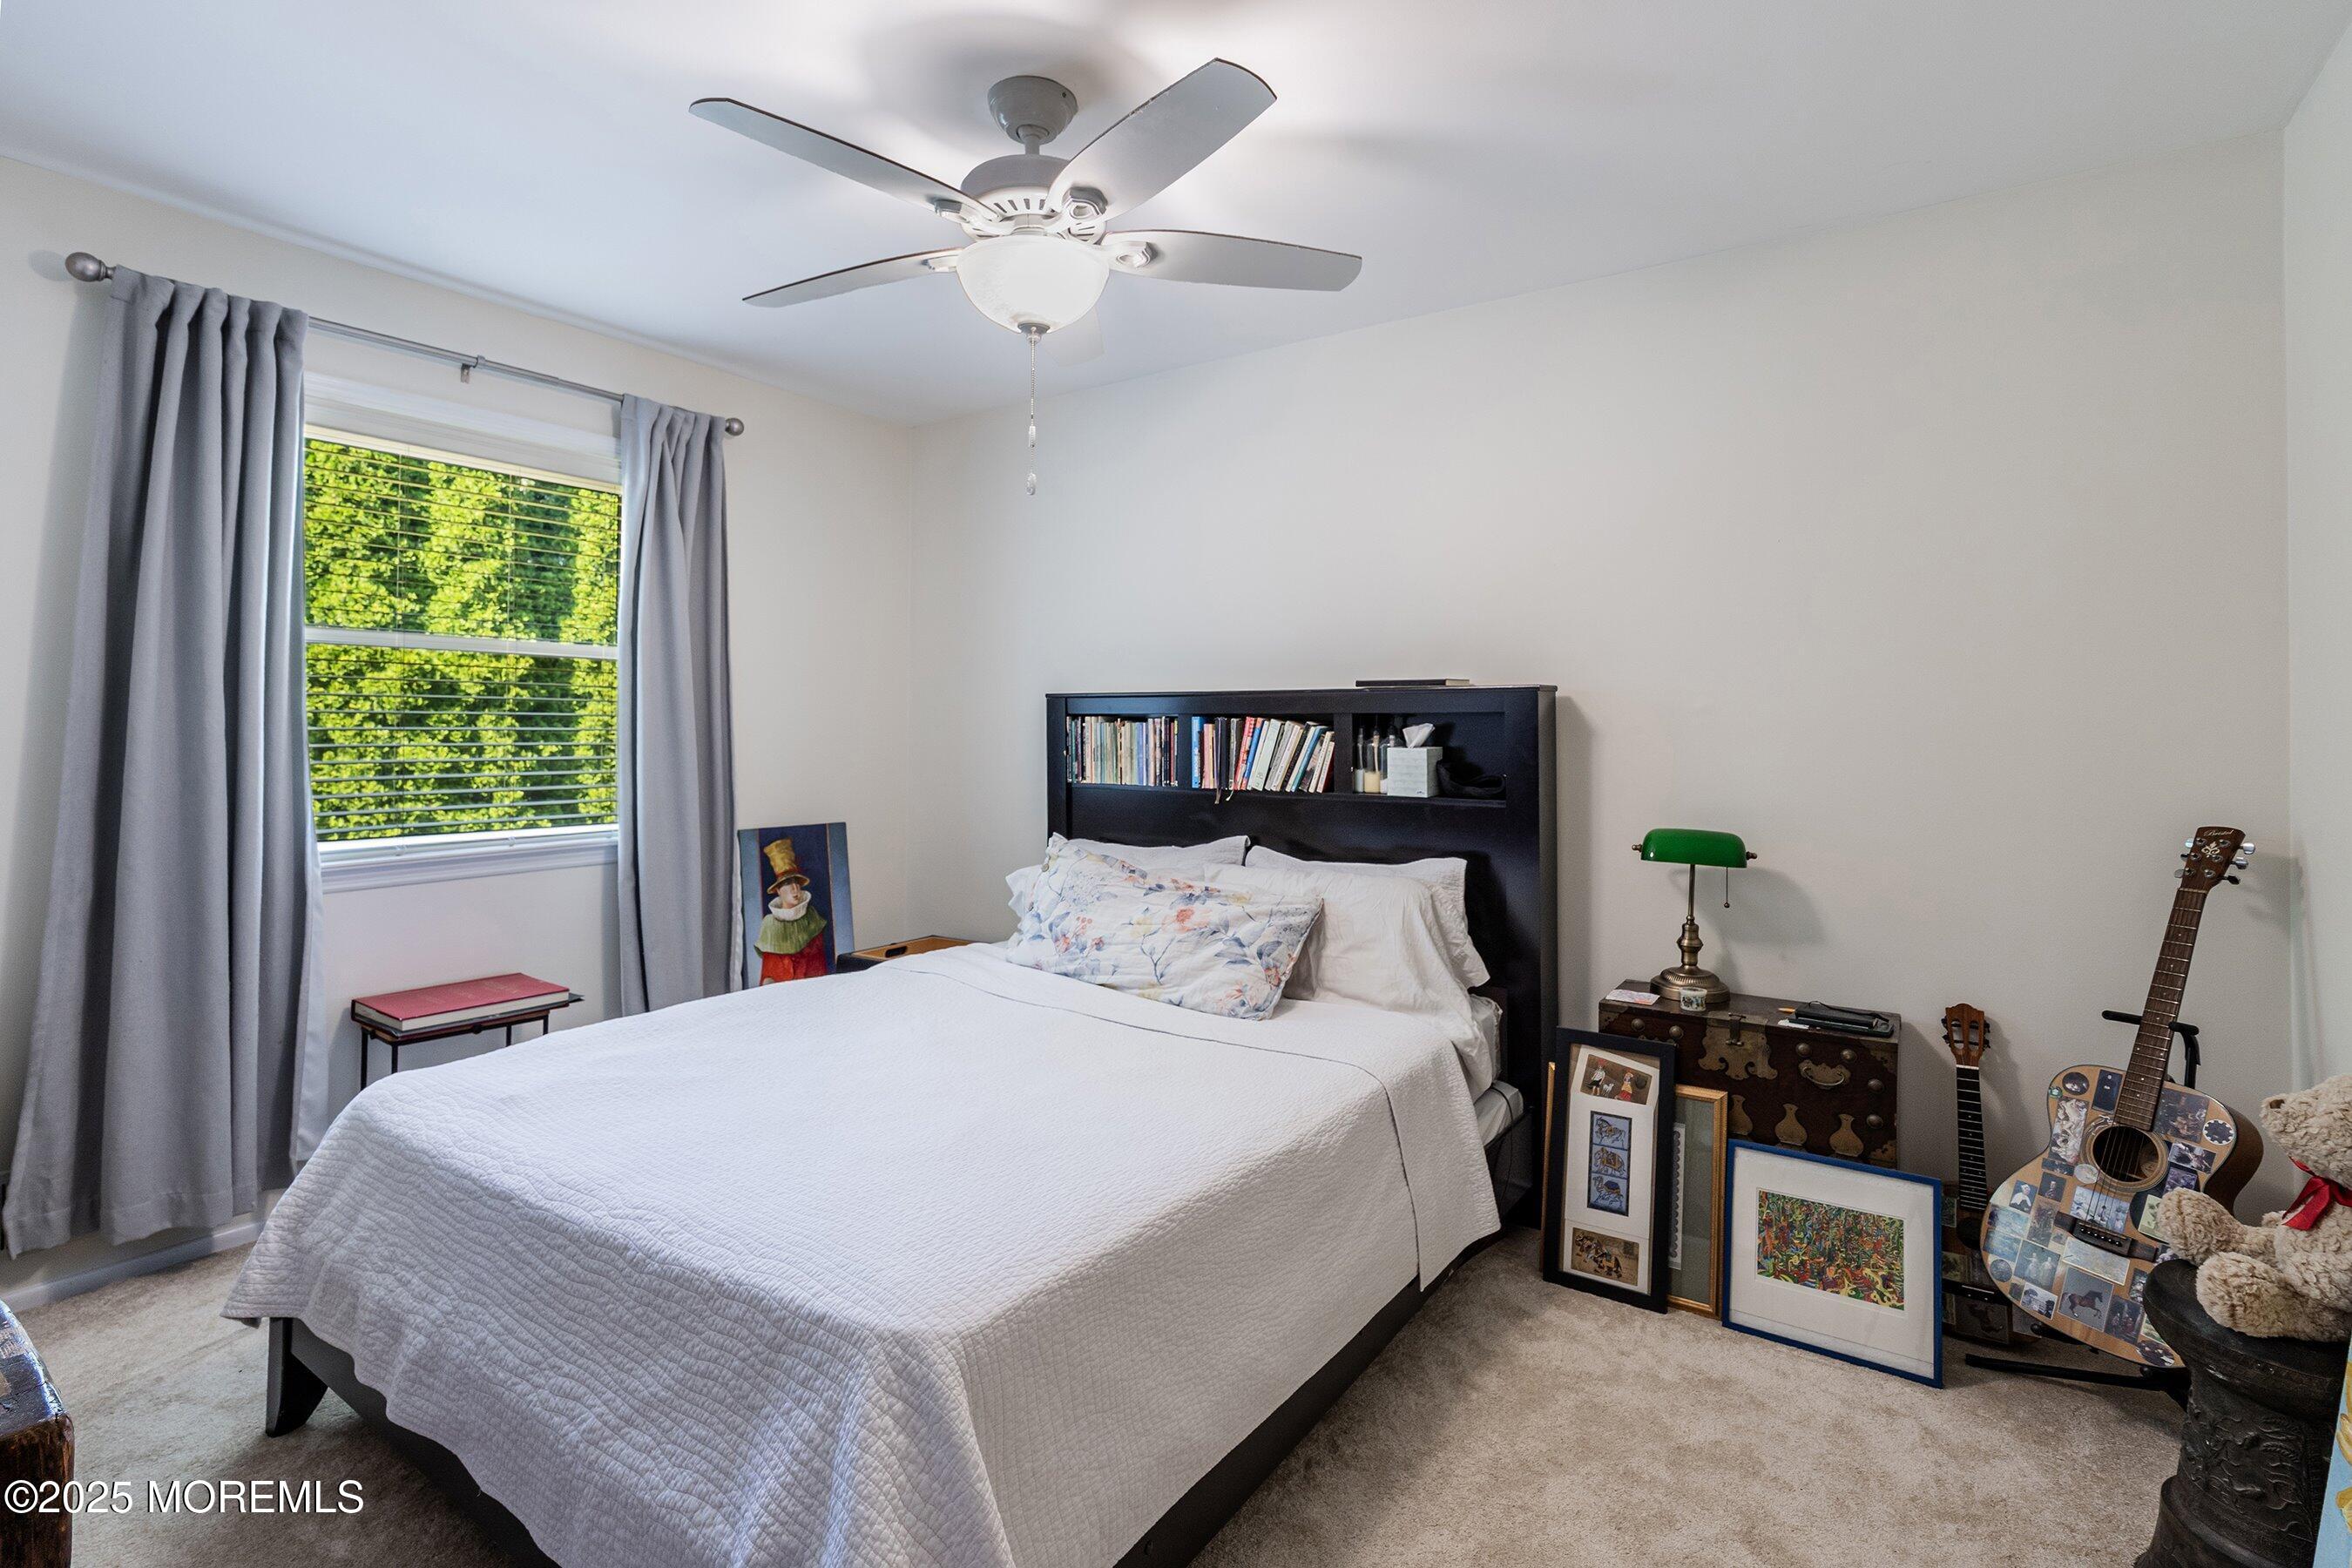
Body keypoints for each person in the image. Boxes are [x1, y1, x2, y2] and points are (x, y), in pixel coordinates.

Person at [754, 837, 830, 983]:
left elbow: (819, 966)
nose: (795, 889)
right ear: (778, 890)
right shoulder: (769, 924)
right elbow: (768, 974)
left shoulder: (812, 917)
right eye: (788, 884)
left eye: (797, 883)